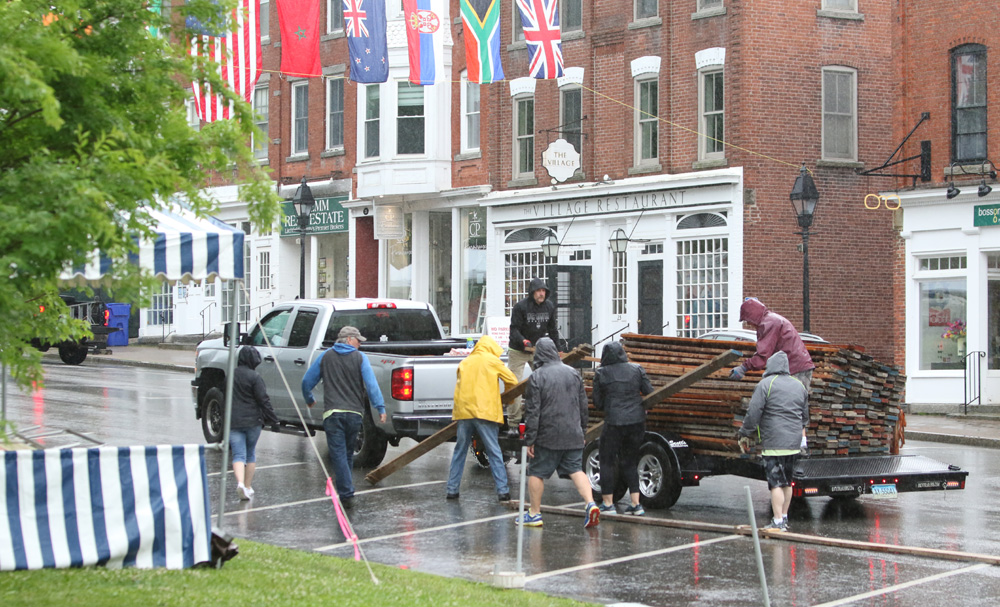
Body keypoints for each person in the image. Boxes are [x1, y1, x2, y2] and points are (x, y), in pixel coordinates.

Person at [517, 337, 600, 529]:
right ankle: (590, 504)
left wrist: (530, 439)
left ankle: (534, 514)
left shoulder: (537, 376)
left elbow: (533, 411)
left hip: (548, 436)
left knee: (536, 472)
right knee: (576, 470)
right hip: (573, 433)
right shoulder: (573, 374)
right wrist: (583, 431)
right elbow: (583, 407)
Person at [302, 326, 386, 510]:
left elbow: (306, 381)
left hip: (333, 414)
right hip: (355, 414)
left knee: (339, 454)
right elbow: (371, 386)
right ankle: (346, 491)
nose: (360, 345)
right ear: (349, 339)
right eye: (358, 341)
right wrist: (380, 407)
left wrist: (309, 399)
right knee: (346, 453)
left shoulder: (325, 356)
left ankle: (346, 492)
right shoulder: (360, 358)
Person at [737, 351, 809, 531]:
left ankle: (777, 521)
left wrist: (744, 432)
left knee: (775, 483)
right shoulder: (799, 385)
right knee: (787, 481)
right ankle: (784, 517)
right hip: (793, 443)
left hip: (774, 443)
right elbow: (804, 417)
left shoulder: (766, 385)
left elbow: (753, 412)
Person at [446, 335, 519, 502]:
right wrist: (508, 400)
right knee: (494, 451)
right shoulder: (492, 361)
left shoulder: (465, 362)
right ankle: (503, 491)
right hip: (485, 412)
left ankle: (452, 490)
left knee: (460, 451)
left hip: (464, 412)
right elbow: (513, 381)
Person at [592, 340, 654, 516]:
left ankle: (608, 503)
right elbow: (650, 392)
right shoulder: (637, 369)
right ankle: (636, 503)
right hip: (636, 422)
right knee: (629, 460)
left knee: (607, 461)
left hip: (614, 422)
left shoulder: (601, 373)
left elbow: (597, 402)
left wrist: (610, 405)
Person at [729, 297, 816, 389]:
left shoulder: (769, 324)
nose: (748, 324)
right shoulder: (770, 320)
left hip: (796, 368)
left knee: (790, 400)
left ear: (753, 316)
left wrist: (743, 368)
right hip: (794, 367)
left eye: (747, 320)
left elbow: (763, 355)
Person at [506, 277, 560, 424]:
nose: (541, 294)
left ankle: (543, 418)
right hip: (518, 350)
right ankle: (513, 421)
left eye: (543, 291)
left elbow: (553, 329)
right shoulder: (520, 307)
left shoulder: (549, 306)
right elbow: (514, 329)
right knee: (514, 385)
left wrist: (557, 349)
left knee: (544, 382)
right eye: (538, 291)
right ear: (532, 292)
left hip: (538, 350)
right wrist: (523, 340)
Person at [230, 346, 279, 500]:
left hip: (234, 421)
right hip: (253, 422)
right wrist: (273, 420)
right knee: (250, 453)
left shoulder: (230, 375)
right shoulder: (255, 377)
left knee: (238, 454)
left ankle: (240, 483)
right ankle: (248, 486)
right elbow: (263, 400)